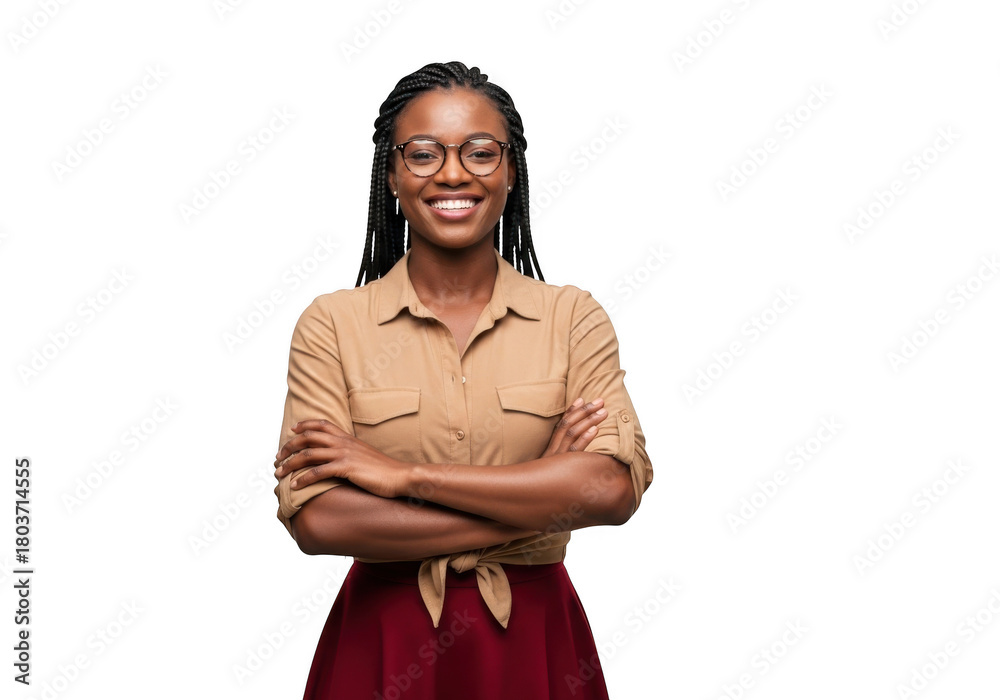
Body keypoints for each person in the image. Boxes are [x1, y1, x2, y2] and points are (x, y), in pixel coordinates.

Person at [272, 61, 653, 699]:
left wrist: (402, 477)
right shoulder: (333, 324)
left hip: (537, 640)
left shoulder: (570, 317)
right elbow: (319, 519)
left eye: (480, 152)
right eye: (423, 154)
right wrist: (537, 502)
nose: (453, 174)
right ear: (391, 174)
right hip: (383, 641)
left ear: (511, 171)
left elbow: (610, 488)